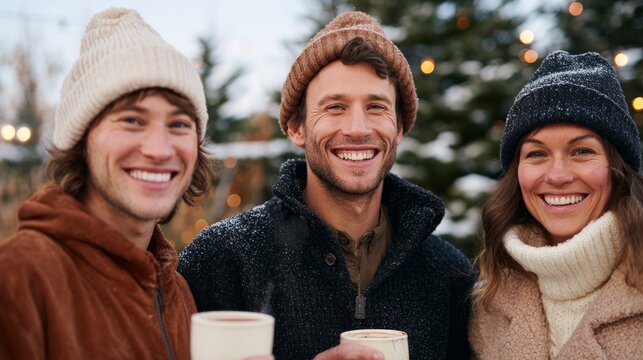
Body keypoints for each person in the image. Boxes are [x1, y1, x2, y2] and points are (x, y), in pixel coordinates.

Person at [179, 11, 473, 360]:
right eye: (334, 107)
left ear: (400, 128)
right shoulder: (221, 259)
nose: (358, 128)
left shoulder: (448, 273)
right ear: (296, 128)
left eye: (377, 107)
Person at [0, 8, 214, 359]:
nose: (159, 150)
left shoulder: (177, 290)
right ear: (81, 142)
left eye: (178, 124)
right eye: (132, 120)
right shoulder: (20, 277)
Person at [469, 50, 643, 359]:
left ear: (618, 170)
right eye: (537, 154)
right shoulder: (490, 299)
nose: (558, 176)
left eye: (582, 151)